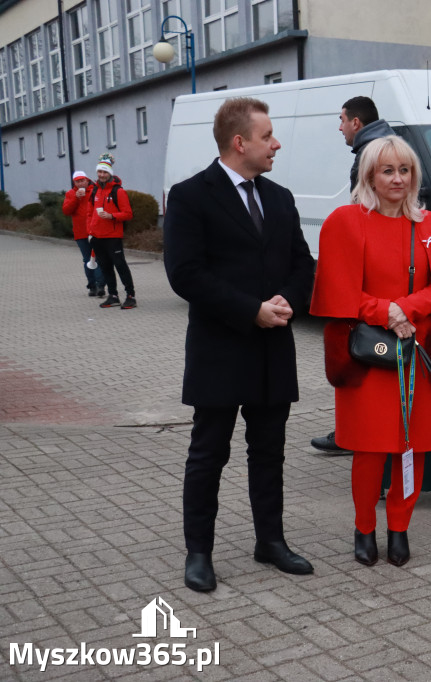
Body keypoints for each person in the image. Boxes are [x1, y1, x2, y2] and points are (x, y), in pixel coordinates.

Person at [163, 97, 316, 592]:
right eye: (267, 135)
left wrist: (289, 299)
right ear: (239, 142)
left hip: (273, 350)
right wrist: (250, 310)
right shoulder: (190, 196)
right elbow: (185, 274)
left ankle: (270, 542)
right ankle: (199, 554)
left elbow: (302, 264)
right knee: (209, 454)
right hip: (221, 349)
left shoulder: (280, 197)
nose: (275, 143)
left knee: (268, 453)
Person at [309, 135, 431, 567]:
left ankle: (399, 528)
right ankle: (363, 529)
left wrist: (406, 308)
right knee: (370, 449)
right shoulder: (345, 221)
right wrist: (385, 310)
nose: (397, 179)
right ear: (369, 176)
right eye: (387, 170)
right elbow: (338, 291)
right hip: (369, 356)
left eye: (405, 170)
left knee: (410, 447)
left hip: (419, 351)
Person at [311, 95, 396, 454]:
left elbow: (365, 211)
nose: (340, 126)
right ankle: (367, 429)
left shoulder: (372, 152)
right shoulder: (386, 145)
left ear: (356, 122)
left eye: (342, 119)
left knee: (362, 349)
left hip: (371, 267)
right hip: (383, 263)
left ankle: (357, 431)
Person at [89, 156, 137, 309]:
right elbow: (90, 213)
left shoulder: (118, 191)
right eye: (99, 172)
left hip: (113, 237)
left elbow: (128, 214)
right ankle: (113, 295)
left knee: (120, 265)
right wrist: (90, 232)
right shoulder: (95, 190)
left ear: (109, 173)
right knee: (105, 267)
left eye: (104, 172)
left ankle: (130, 296)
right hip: (97, 236)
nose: (101, 175)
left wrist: (112, 216)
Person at [62, 170, 106, 297]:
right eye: (77, 181)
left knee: (98, 258)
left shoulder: (95, 191)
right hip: (81, 232)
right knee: (87, 259)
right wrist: (76, 198)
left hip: (96, 230)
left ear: (87, 180)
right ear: (74, 182)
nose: (80, 183)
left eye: (82, 180)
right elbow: (66, 210)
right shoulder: (71, 194)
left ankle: (100, 285)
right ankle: (92, 286)